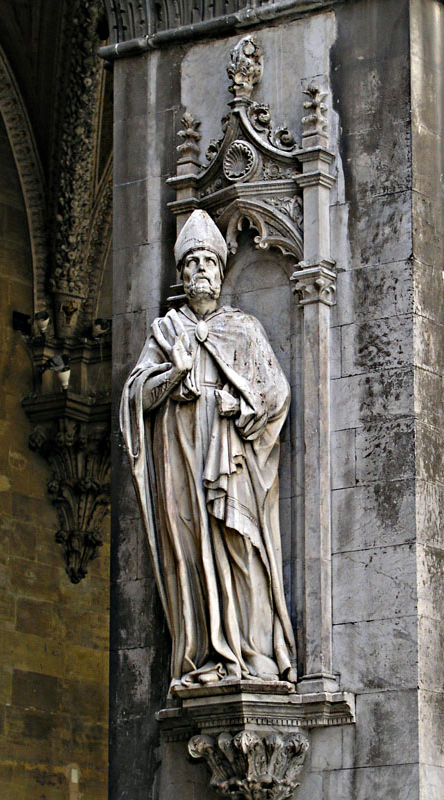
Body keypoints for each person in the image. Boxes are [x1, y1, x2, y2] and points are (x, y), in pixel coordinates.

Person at [120, 209, 295, 693]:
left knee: (240, 544)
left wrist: (240, 406)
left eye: (209, 262)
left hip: (229, 457)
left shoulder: (243, 329)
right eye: (192, 263)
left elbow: (276, 392)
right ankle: (202, 653)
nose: (201, 270)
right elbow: (136, 397)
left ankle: (254, 652)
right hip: (178, 457)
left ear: (221, 271)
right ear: (181, 274)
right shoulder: (165, 332)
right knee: (188, 553)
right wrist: (173, 372)